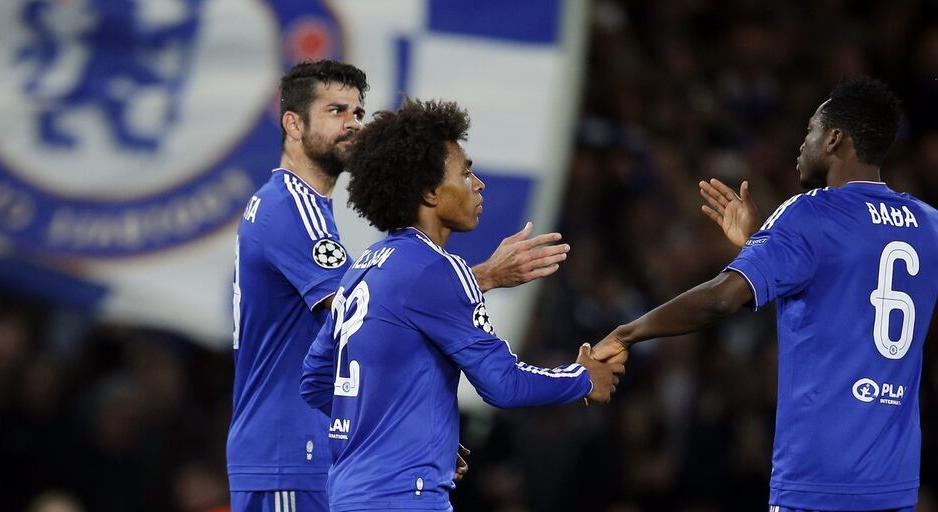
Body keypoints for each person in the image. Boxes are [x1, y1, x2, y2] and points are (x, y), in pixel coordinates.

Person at [228, 61, 575, 512]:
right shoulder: (292, 206)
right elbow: (364, 310)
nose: (352, 123)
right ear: (292, 123)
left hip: (295, 448)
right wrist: (484, 276)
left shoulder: (303, 209)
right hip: (288, 449)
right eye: (336, 110)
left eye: (357, 111)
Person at [594, 77, 938, 512]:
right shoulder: (929, 225)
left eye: (810, 130)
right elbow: (846, 285)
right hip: (894, 483)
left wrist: (628, 332)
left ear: (833, 138)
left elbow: (722, 298)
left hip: (817, 479)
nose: (802, 143)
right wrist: (760, 247)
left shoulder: (810, 211)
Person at [300, 99, 624, 512]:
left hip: (347, 497)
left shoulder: (361, 270)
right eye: (465, 172)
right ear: (430, 192)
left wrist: (405, 435)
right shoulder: (437, 269)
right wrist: (582, 378)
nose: (479, 183)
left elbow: (315, 379)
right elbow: (502, 384)